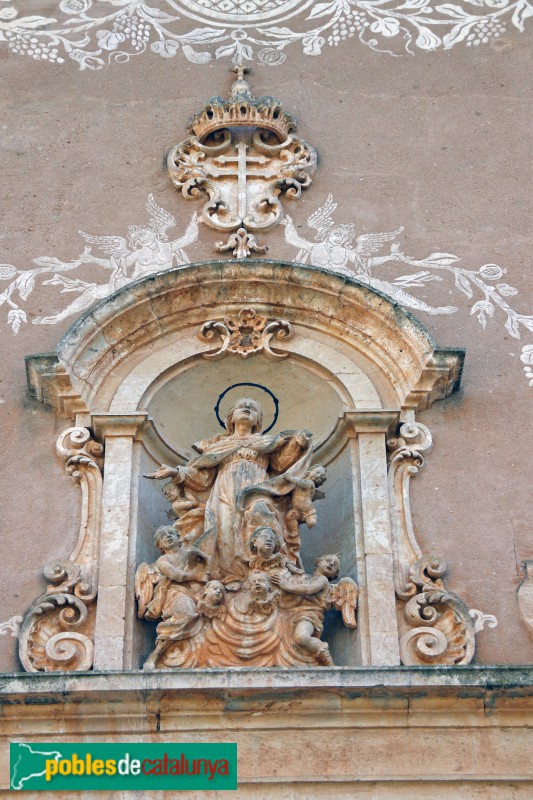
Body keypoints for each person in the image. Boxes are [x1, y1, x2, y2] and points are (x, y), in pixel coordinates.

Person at [146, 398, 313, 582]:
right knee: (225, 532)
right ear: (230, 418)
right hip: (224, 493)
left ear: (258, 420)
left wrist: (297, 444)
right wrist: (176, 472)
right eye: (242, 406)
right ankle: (231, 578)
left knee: (261, 514)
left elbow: (281, 464)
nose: (247, 408)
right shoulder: (218, 446)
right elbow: (203, 478)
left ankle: (271, 567)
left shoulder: (266, 442)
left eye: (253, 408)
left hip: (257, 490)